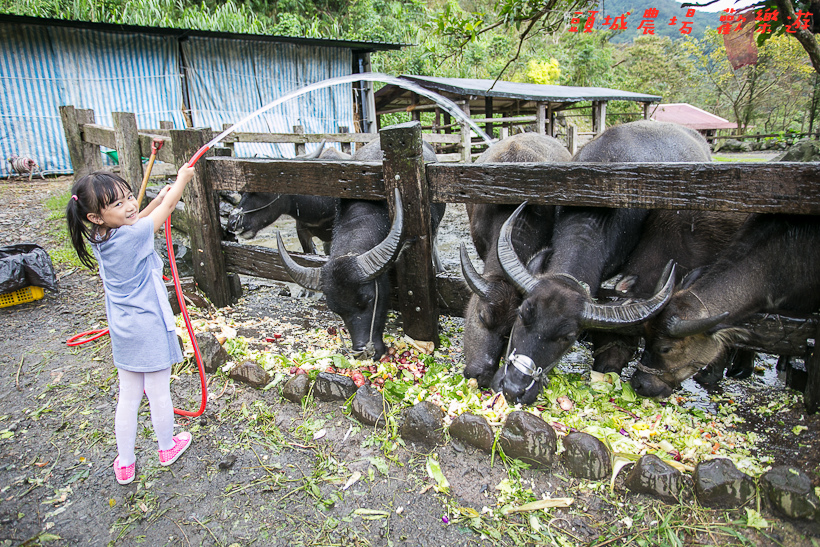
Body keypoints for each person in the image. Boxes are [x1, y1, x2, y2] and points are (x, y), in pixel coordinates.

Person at [65, 163, 196, 485]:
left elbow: (143, 218)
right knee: (159, 393)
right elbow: (163, 212)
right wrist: (181, 182)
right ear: (96, 216)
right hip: (149, 325)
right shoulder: (133, 235)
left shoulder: (99, 237)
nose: (129, 206)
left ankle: (125, 462)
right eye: (118, 204)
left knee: (129, 396)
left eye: (128, 197)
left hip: (124, 329)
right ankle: (167, 448)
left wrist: (153, 200)